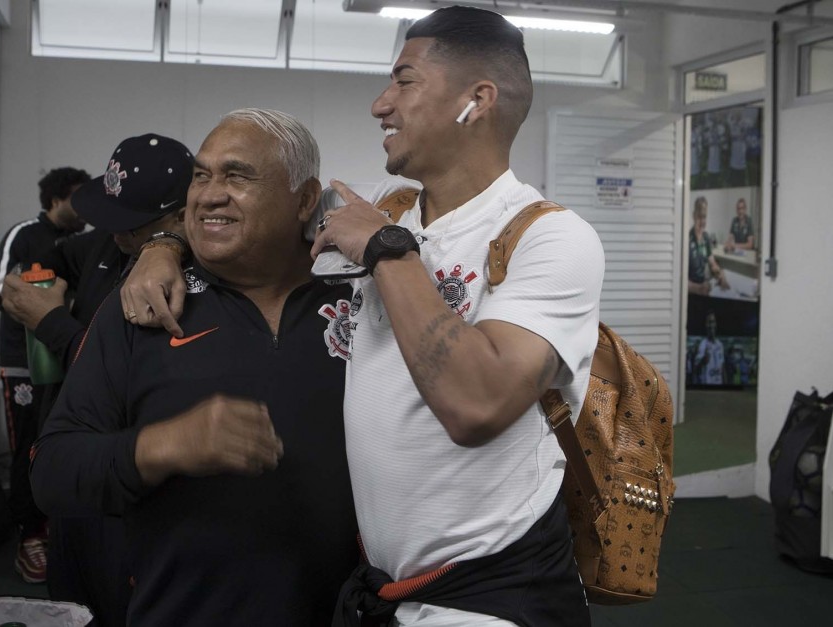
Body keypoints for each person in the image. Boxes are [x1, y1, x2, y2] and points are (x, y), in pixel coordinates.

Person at [122, 8, 604, 626]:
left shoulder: (550, 237)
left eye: (404, 81)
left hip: (490, 593)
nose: (381, 104)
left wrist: (385, 251)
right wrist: (164, 248)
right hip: (385, 588)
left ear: (475, 101)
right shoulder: (386, 208)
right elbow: (245, 218)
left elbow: (476, 405)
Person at [30, 109, 359, 626]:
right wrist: (165, 445)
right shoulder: (145, 303)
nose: (208, 194)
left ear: (304, 198)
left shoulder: (363, 300)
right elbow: (52, 472)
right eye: (201, 176)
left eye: (237, 176)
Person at [1, 133, 192, 627]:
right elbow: (45, 262)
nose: (118, 235)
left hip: (130, 485)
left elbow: (131, 372)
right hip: (73, 472)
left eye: (134, 226)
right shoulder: (103, 247)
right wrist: (31, 282)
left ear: (180, 216)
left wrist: (53, 324)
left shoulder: (196, 276)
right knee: (68, 604)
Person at [0, 166, 89, 584]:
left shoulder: (86, 242)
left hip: (72, 358)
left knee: (63, 442)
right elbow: (2, 291)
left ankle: (57, 530)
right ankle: (29, 537)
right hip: (24, 363)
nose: (85, 208)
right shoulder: (24, 234)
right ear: (55, 199)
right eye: (78, 199)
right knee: (27, 445)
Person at [688, 195, 729, 296]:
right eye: (699, 217)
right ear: (694, 215)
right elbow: (680, 280)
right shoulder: (687, 240)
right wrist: (697, 289)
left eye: (704, 217)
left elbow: (712, 263)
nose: (702, 221)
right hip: (692, 292)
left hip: (705, 288)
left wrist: (720, 273)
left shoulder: (706, 237)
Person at [694, 311, 726, 385]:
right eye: (709, 322)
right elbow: (695, 370)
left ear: (716, 324)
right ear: (706, 325)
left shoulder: (720, 345)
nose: (711, 325)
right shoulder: (702, 345)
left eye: (713, 322)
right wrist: (703, 361)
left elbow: (723, 368)